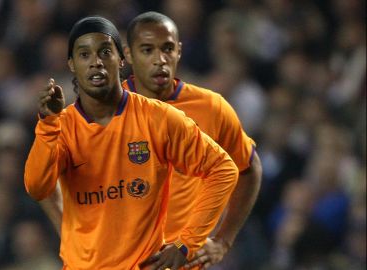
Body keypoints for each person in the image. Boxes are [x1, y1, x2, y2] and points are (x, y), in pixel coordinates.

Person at [24, 16, 239, 270]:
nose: (96, 62)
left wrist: (187, 243)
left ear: (121, 59)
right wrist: (48, 126)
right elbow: (37, 187)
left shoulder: (157, 118)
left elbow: (223, 169)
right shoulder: (62, 126)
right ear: (72, 64)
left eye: (105, 52)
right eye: (84, 55)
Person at [122, 12, 262, 269]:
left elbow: (250, 169)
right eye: (147, 50)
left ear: (179, 51)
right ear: (128, 54)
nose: (160, 59)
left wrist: (223, 241)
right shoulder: (104, 113)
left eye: (167, 48)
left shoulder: (211, 108)